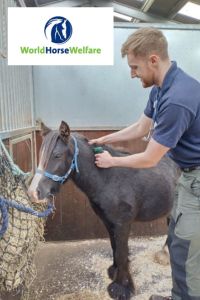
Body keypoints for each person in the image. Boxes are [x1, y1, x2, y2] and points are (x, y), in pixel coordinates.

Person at [89, 27, 200, 300]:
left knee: (186, 249)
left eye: (134, 66)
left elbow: (151, 157)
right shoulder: (162, 87)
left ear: (153, 59)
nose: (131, 74)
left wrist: (112, 160)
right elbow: (141, 127)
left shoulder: (178, 98)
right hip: (186, 175)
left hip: (197, 178)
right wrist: (106, 137)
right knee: (176, 242)